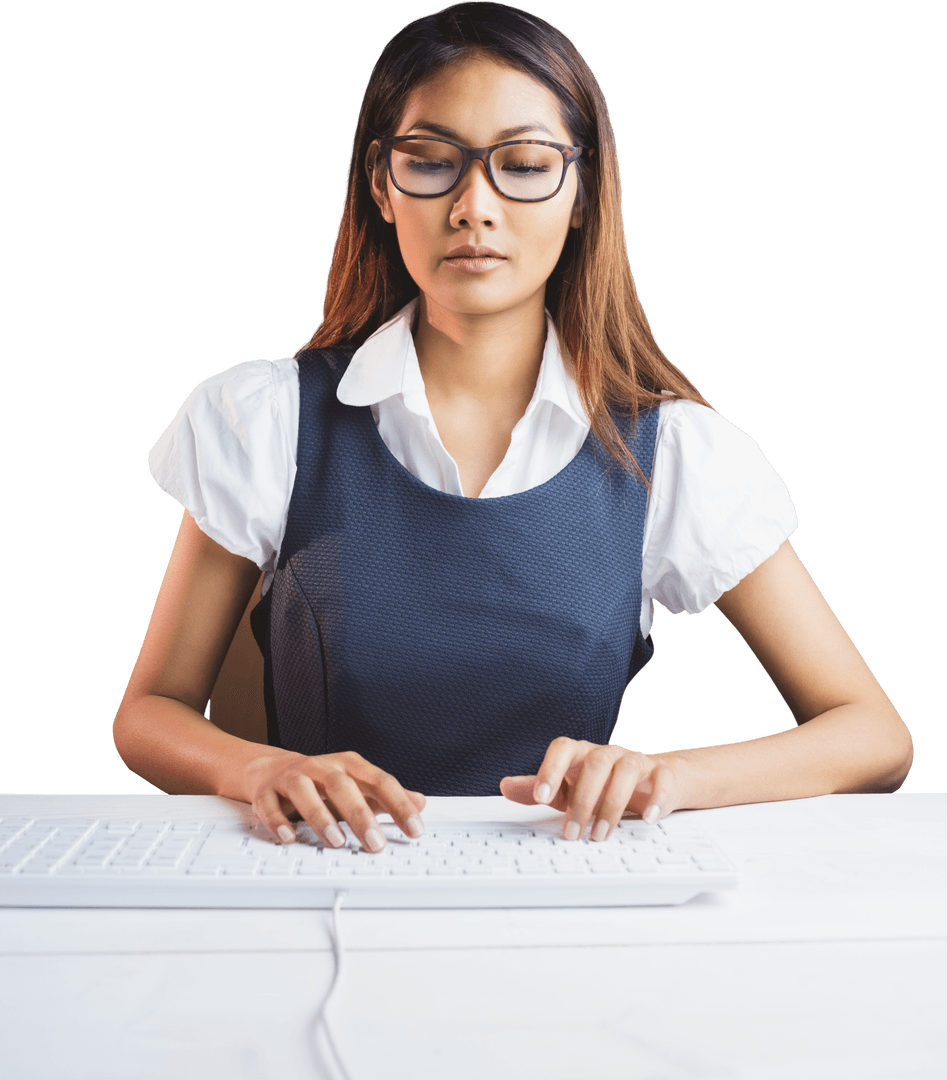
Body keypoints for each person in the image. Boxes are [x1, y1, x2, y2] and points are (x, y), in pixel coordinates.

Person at [112, 1, 913, 856]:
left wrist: (667, 780)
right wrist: (255, 772)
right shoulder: (265, 419)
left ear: (581, 193)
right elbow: (149, 712)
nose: (473, 206)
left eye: (524, 164)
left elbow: (871, 734)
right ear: (381, 185)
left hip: (562, 904)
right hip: (319, 889)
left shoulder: (672, 453)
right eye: (430, 162)